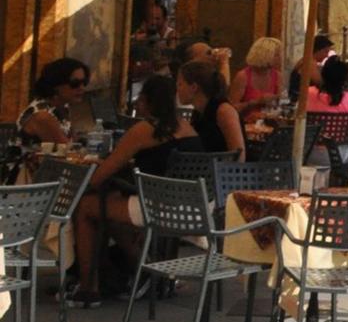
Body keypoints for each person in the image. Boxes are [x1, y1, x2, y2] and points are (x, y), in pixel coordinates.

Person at [69, 72, 204, 307]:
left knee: (86, 207)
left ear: (147, 100)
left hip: (158, 206)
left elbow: (102, 174)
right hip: (190, 206)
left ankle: (89, 288)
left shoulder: (145, 129)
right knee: (109, 209)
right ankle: (143, 270)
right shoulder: (187, 128)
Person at [18, 56, 93, 146]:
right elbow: (67, 151)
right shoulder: (43, 115)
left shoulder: (62, 107)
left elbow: (74, 142)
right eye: (75, 84)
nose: (81, 88)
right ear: (56, 84)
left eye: (84, 82)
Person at [177, 59, 246, 156]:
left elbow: (239, 155)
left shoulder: (223, 110)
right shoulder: (198, 112)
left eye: (180, 84)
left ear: (193, 87)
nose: (177, 89)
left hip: (227, 169)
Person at [230, 36, 287, 117]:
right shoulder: (243, 76)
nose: (281, 58)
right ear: (264, 55)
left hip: (269, 123)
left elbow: (283, 104)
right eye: (277, 55)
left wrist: (278, 100)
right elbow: (231, 108)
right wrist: (256, 102)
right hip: (246, 123)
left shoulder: (278, 76)